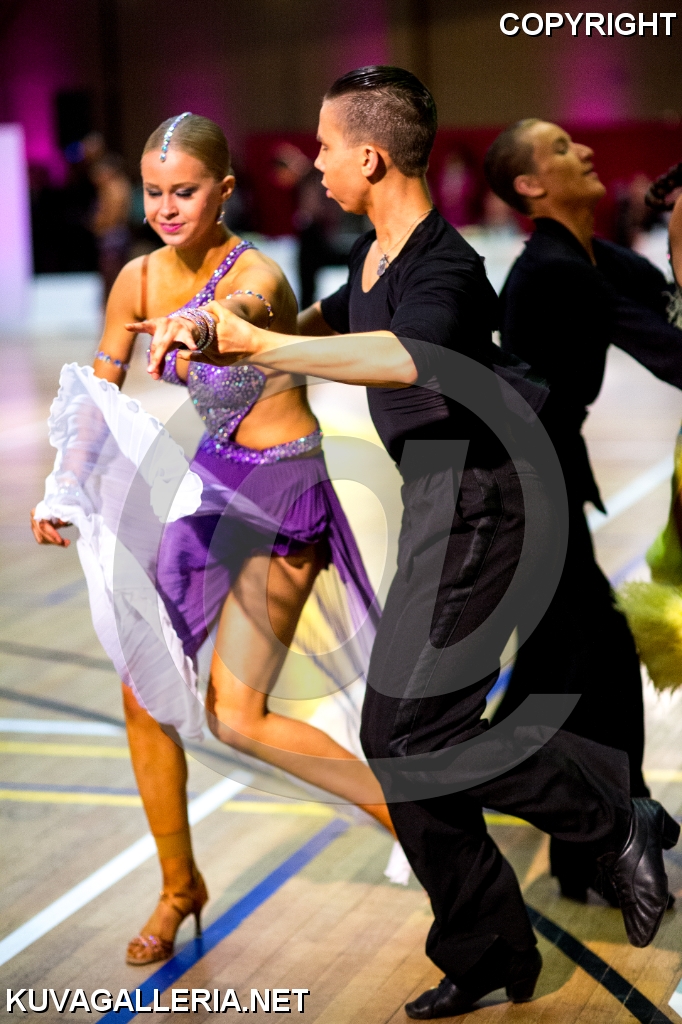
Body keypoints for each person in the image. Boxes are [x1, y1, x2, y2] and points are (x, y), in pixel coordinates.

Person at [145, 68, 679, 1019]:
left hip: (492, 497)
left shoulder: (446, 268)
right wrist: (227, 325)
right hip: (441, 501)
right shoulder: (374, 255)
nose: (314, 161)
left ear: (370, 156)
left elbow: (403, 357)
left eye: (324, 146)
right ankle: (491, 948)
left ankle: (608, 812)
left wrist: (260, 348)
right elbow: (321, 322)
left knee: (410, 735)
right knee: (397, 740)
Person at [31, 112, 403, 968]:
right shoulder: (135, 280)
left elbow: (234, 316)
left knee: (237, 717)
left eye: (185, 191)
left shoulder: (259, 274)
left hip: (284, 494)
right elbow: (97, 397)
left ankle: (418, 823)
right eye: (154, 192)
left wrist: (195, 327)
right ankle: (179, 887)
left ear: (225, 190)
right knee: (141, 686)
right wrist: (63, 486)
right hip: (210, 484)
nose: (166, 208)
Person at [484, 119, 682, 903]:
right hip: (521, 489)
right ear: (531, 186)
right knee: (588, 663)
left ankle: (578, 836)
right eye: (564, 149)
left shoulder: (593, 256)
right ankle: (600, 840)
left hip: (548, 479)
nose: (588, 152)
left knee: (565, 666)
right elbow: (674, 352)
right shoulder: (556, 273)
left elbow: (669, 303)